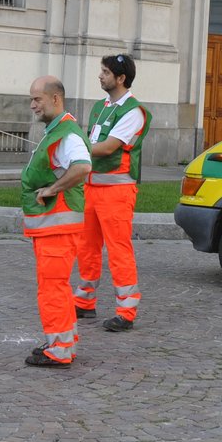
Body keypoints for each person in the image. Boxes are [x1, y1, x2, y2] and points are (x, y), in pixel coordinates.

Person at [74, 53, 151, 333]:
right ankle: (84, 302)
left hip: (117, 192)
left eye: (106, 72)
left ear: (121, 78)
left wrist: (73, 147)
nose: (100, 76)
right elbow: (94, 141)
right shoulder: (100, 106)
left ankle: (126, 311)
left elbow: (107, 148)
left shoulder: (133, 112)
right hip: (92, 188)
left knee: (119, 250)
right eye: (101, 71)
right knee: (87, 247)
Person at [21, 76, 92, 367]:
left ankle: (59, 349)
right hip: (53, 226)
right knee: (56, 286)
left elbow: (83, 167)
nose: (33, 105)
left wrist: (51, 190)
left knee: (52, 287)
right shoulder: (57, 131)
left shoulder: (67, 134)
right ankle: (64, 341)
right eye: (31, 99)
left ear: (55, 99)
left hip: (57, 226)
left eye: (37, 99)